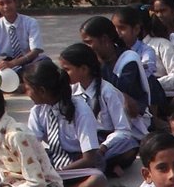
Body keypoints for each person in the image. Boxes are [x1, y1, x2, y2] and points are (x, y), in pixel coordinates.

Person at [24, 57, 107, 187]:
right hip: (53, 161)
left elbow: (89, 158)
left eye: (28, 89)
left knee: (97, 180)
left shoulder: (80, 110)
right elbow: (32, 145)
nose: (26, 93)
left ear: (42, 91)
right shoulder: (37, 111)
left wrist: (56, 173)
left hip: (78, 164)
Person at [58, 42, 141, 176]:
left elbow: (123, 130)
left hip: (105, 142)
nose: (63, 74)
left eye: (67, 69)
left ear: (84, 69)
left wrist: (103, 147)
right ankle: (102, 167)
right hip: (83, 142)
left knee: (130, 146)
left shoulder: (108, 92)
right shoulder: (71, 91)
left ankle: (97, 166)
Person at [0, 0, 44, 72]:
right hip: (6, 64)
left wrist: (14, 63)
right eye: (1, 4)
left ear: (16, 2)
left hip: (28, 61)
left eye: (9, 2)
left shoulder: (30, 22)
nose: (6, 6)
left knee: (44, 63)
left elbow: (36, 50)